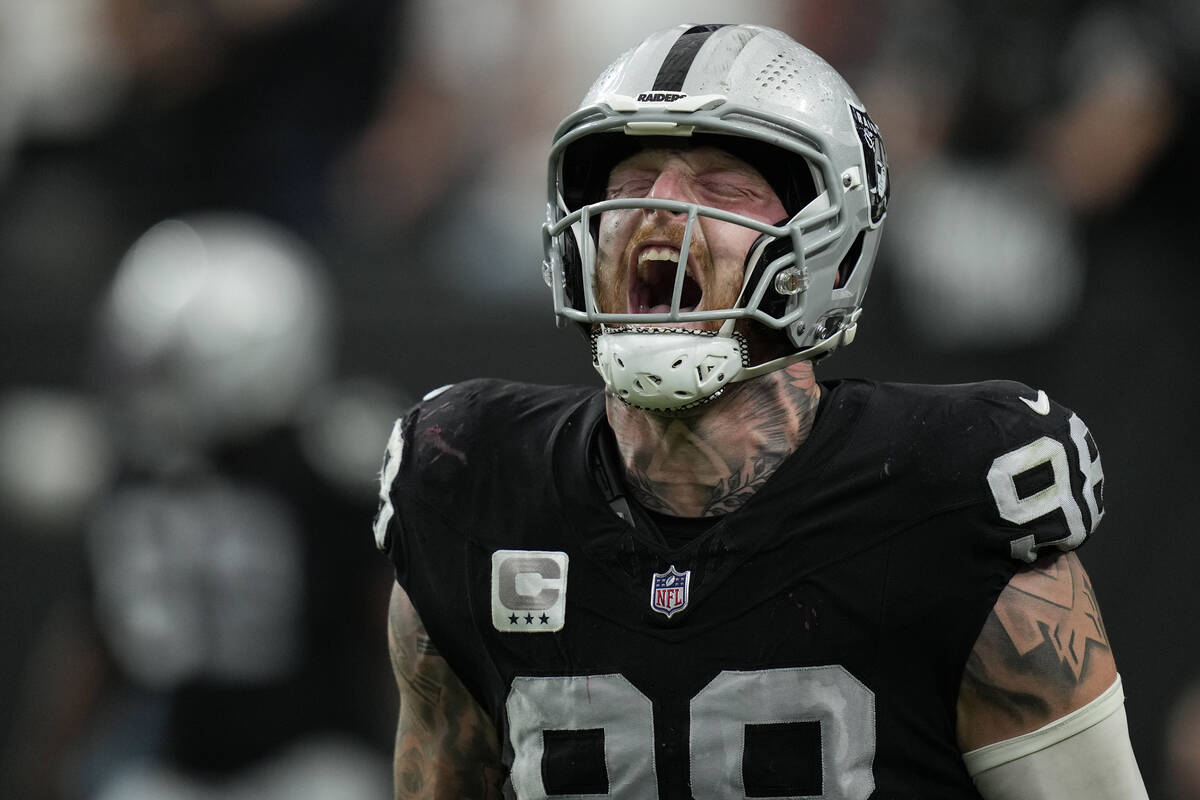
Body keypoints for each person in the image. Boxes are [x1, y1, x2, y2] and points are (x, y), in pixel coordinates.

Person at [374, 23, 1148, 799]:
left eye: (720, 186)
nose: (661, 210)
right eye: (631, 181)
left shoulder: (953, 502)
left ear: (829, 246)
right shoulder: (471, 486)